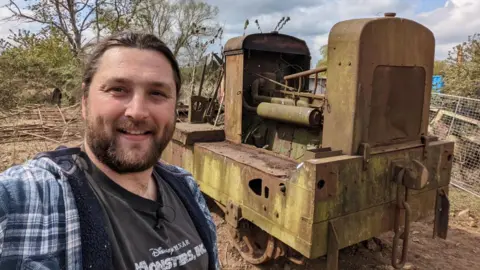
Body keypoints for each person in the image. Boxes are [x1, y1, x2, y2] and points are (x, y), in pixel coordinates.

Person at [0, 31, 219, 270]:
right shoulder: (29, 198)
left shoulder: (185, 187)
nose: (137, 111)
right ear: (85, 102)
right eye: (118, 89)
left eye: (157, 93)